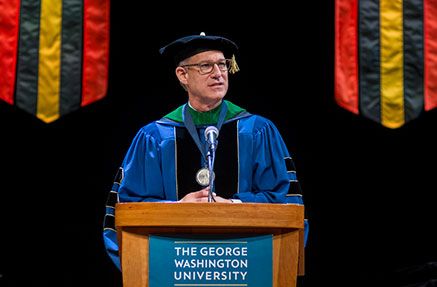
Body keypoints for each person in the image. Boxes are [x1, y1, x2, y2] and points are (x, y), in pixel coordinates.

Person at [103, 32, 307, 269]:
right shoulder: (154, 137)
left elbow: (284, 200)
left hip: (243, 264)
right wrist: (178, 208)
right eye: (205, 66)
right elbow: (129, 208)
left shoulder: (258, 130)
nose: (218, 73)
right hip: (175, 265)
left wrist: (234, 206)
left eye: (222, 64)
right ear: (183, 75)